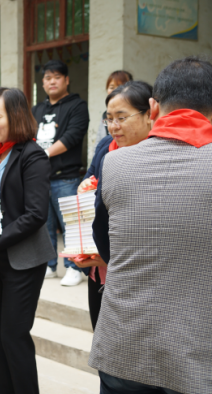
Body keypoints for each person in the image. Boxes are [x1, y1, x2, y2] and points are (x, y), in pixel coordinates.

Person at [90, 56, 212, 394]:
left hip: (125, 338)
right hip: (199, 348)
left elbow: (105, 242)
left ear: (154, 107)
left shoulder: (114, 162)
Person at [0, 88, 55, 394]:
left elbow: (36, 214)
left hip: (23, 259)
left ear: (16, 116)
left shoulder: (32, 155)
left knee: (14, 335)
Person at [72, 81, 153, 331]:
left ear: (149, 114)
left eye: (121, 117)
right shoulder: (105, 147)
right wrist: (86, 185)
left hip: (133, 270)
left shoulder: (156, 156)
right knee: (99, 332)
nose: (114, 126)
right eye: (109, 119)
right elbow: (90, 176)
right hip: (97, 266)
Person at [32, 59, 90, 286]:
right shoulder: (37, 110)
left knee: (71, 225)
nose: (52, 81)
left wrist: (44, 154)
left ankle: (74, 267)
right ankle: (49, 265)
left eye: (57, 77)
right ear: (43, 83)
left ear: (66, 80)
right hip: (40, 178)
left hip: (66, 177)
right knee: (43, 225)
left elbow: (72, 136)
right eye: (48, 78)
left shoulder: (77, 106)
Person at [94, 71, 133, 146]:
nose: (115, 91)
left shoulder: (133, 112)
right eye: (111, 87)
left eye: (120, 87)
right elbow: (99, 142)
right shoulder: (105, 115)